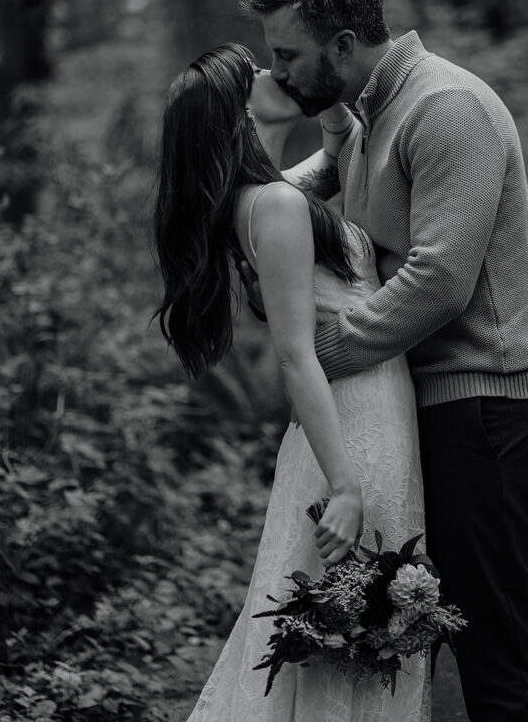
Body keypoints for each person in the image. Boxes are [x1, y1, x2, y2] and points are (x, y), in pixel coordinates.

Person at [238, 0, 528, 722]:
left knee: (495, 640)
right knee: (422, 628)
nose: (275, 72)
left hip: (484, 400)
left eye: (287, 56)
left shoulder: (444, 108)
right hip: (428, 401)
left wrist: (322, 355)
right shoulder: (370, 114)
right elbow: (286, 207)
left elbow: (440, 280)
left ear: (343, 45)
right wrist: (269, 124)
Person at [153, 44, 431, 721]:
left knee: (357, 628)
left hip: (368, 405)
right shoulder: (273, 204)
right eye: (250, 74)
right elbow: (294, 356)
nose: (268, 72)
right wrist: (342, 485)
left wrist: (328, 102)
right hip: (351, 421)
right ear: (236, 111)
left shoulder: (270, 193)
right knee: (352, 628)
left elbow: (338, 148)